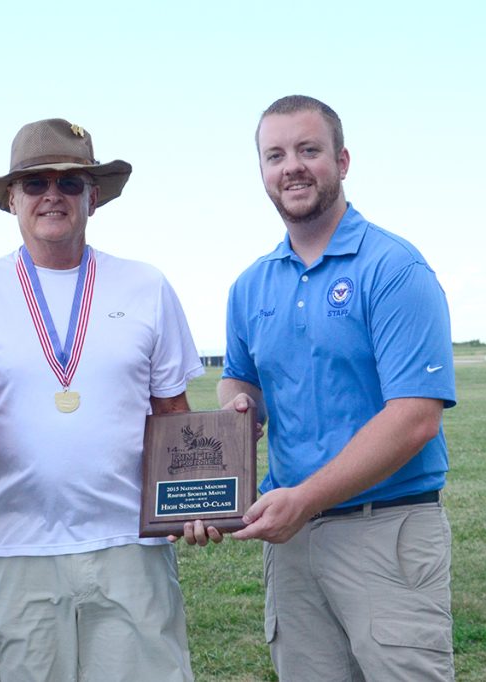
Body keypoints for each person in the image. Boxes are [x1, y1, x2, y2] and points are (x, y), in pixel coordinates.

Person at [185, 95, 457, 680]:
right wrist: (238, 411)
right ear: (262, 172)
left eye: (309, 150)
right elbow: (240, 380)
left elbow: (415, 417)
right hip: (293, 543)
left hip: (385, 530)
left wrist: (305, 498)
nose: (292, 167)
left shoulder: (393, 268)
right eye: (275, 155)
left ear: (343, 160)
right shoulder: (249, 285)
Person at [0, 118, 203, 681]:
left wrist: (196, 496)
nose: (53, 194)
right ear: (11, 198)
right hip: (14, 547)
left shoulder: (145, 285)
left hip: (130, 547)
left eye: (70, 182)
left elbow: (173, 414)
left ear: (94, 196)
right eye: (35, 183)